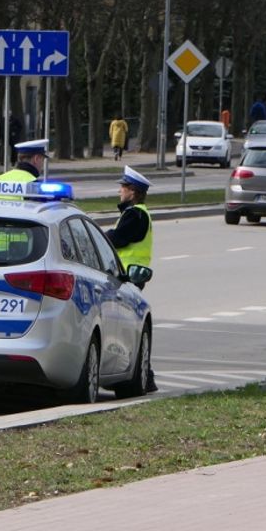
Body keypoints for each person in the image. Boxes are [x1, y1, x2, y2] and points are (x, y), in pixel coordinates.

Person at [105, 165, 156, 391]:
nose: (120, 191)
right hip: (128, 276)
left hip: (128, 276)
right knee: (128, 325)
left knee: (127, 327)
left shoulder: (135, 214)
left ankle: (141, 375)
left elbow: (119, 239)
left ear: (133, 192)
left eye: (123, 187)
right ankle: (144, 375)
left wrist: (100, 237)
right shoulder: (135, 213)